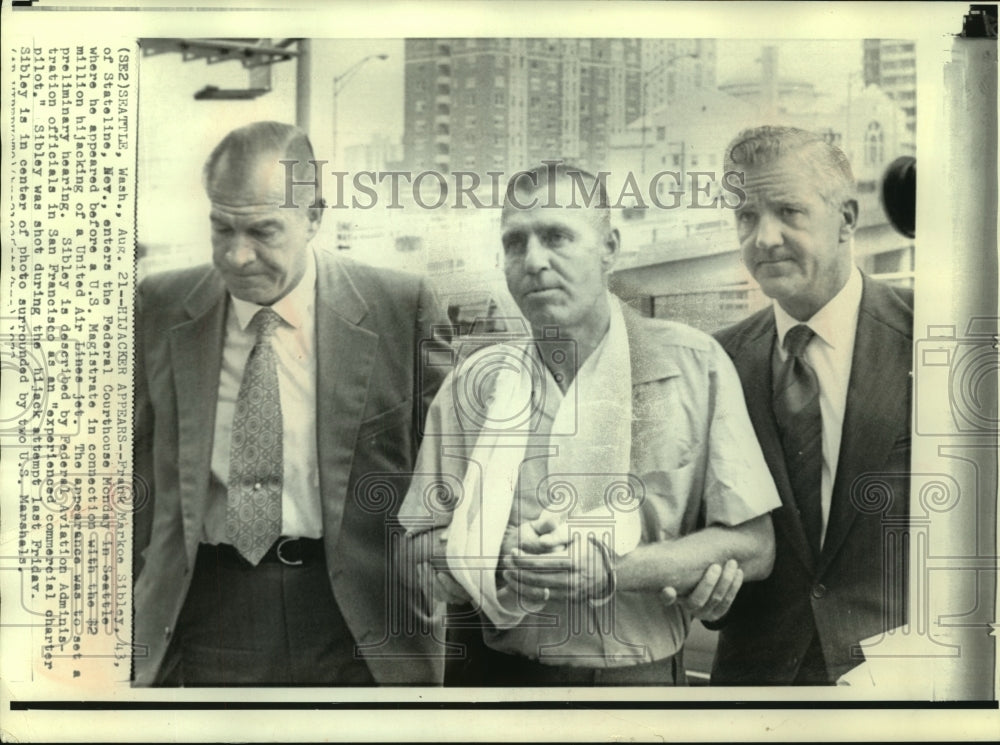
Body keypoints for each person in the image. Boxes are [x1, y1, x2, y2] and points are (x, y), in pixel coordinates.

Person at [399, 163, 780, 686]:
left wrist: (613, 570)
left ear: (609, 248)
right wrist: (495, 553)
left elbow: (755, 545)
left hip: (637, 683)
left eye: (557, 236)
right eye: (515, 243)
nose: (534, 261)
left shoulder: (694, 366)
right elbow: (415, 546)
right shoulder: (475, 387)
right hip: (498, 678)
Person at [132, 121, 450, 686]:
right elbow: (136, 471)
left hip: (362, 616)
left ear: (314, 218)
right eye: (221, 227)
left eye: (262, 231)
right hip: (211, 608)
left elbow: (452, 468)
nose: (237, 255)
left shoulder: (401, 307)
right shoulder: (160, 305)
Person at [709, 126, 914, 685]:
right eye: (746, 216)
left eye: (788, 211)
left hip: (901, 685)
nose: (764, 237)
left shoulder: (935, 337)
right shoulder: (716, 361)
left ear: (846, 218)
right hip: (756, 688)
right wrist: (704, 592)